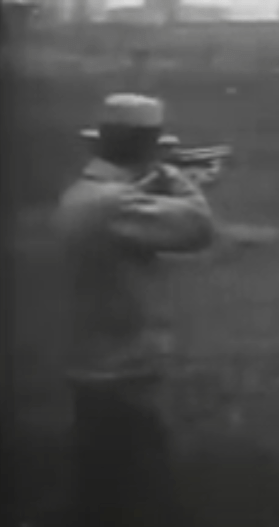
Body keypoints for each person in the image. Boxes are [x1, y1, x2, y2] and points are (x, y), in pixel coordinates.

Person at [54, 93, 215, 526]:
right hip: (120, 365)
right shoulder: (113, 204)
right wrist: (177, 179)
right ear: (147, 147)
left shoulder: (86, 194)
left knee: (100, 482)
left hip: (94, 358)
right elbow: (198, 228)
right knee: (138, 490)